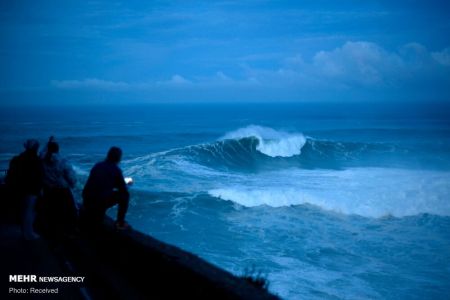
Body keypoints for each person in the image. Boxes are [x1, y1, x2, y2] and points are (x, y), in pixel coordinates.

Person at [82, 147, 131, 230]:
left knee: (103, 192)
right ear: (118, 158)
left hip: (87, 200)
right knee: (125, 195)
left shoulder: (98, 165)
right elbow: (123, 189)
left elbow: (102, 182)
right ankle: (120, 222)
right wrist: (128, 184)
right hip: (99, 203)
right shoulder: (116, 170)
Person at [5, 139, 44, 240]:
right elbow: (39, 176)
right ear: (35, 148)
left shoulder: (17, 159)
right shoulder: (36, 160)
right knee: (29, 211)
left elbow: (11, 174)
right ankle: (29, 233)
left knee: (23, 210)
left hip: (19, 188)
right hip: (31, 189)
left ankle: (24, 232)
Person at [40, 139, 78, 238]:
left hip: (48, 190)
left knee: (51, 212)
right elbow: (70, 177)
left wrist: (48, 142)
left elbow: (42, 152)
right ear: (58, 149)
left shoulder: (42, 159)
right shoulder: (62, 161)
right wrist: (73, 184)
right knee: (67, 212)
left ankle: (51, 232)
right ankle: (66, 233)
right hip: (62, 191)